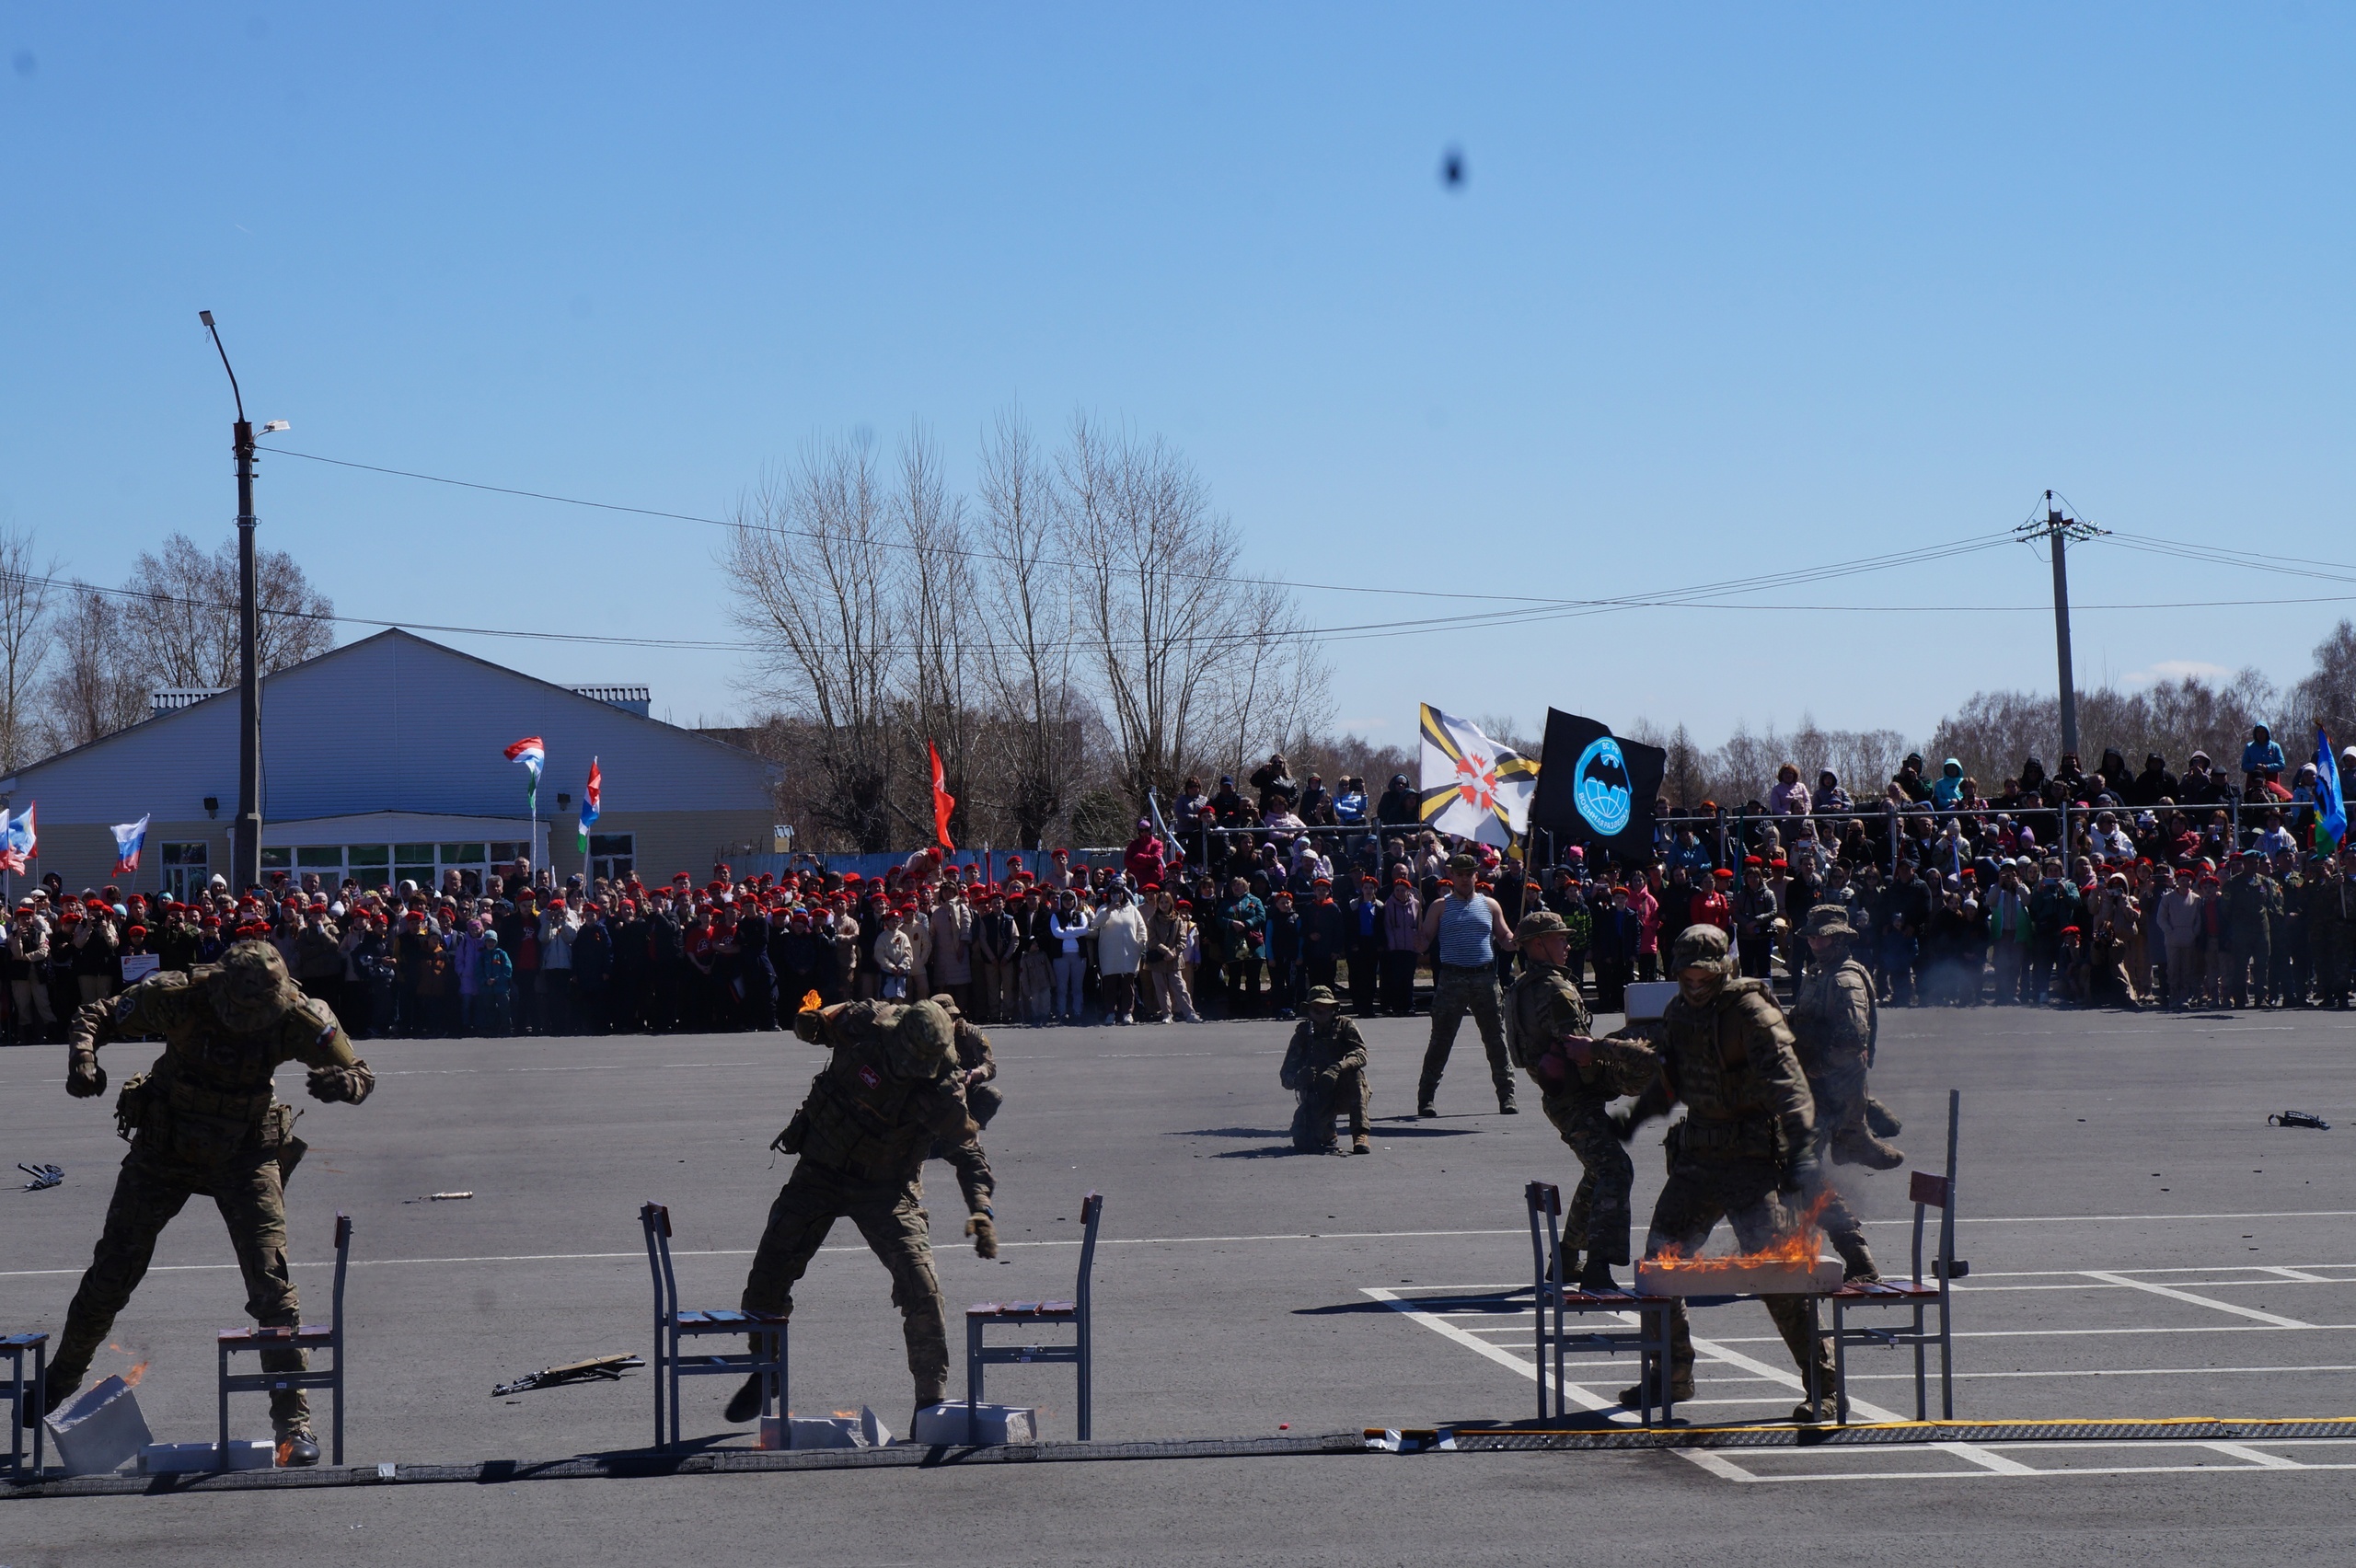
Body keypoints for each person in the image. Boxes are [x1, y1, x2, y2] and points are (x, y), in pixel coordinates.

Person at [29, 942, 375, 1463]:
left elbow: (363, 1074)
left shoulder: (299, 1015)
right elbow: (95, 1014)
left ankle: (293, 1423)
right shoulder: (178, 995)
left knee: (273, 1290)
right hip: (165, 1146)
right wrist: (83, 1059)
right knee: (113, 1272)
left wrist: (342, 1083)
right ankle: (60, 1380)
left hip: (244, 1152)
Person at [729, 997, 983, 1427]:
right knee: (768, 1274)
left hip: (885, 1188)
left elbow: (969, 1154)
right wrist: (807, 1022)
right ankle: (763, 1371)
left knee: (922, 1287)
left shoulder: (941, 1086)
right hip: (821, 1170)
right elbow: (819, 1022)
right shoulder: (866, 1021)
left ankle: (930, 1403)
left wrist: (982, 1209)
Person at [1619, 925, 1836, 1423]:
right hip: (1697, 1160)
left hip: (1749, 1162)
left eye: (1704, 976)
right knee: (1659, 1265)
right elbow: (1672, 1081)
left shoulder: (1750, 1013)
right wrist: (1636, 1116)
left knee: (1777, 1270)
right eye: (1686, 976)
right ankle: (1672, 1374)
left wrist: (1802, 1149)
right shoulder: (1677, 1012)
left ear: (1724, 970)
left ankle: (1824, 1386)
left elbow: (1791, 1086)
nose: (1694, 986)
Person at [1506, 910, 1655, 1289]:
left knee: (1599, 1170)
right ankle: (1598, 1267)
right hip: (1577, 1095)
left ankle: (1568, 1257)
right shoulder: (1555, 989)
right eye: (1559, 939)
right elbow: (1579, 1050)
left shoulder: (1522, 986)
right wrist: (1619, 1067)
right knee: (1615, 1170)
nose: (1568, 945)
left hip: (1561, 1095)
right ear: (1538, 945)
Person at [1785, 905, 1901, 1279]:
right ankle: (1796, 1248)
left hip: (1831, 1095)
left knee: (1802, 1172)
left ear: (1838, 938)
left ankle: (1857, 1256)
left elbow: (1853, 1037)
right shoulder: (1820, 974)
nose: (1815, 942)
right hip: (1813, 1091)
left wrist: (1818, 1065)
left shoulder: (1845, 980)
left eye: (1822, 936)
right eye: (1813, 936)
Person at [1415, 852, 1519, 1117]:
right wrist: (1419, 940)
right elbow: (1425, 939)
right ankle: (1426, 1098)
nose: (1464, 878)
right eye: (1459, 874)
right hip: (1451, 979)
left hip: (1485, 978)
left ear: (1476, 875)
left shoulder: (1491, 905)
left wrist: (1514, 940)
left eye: (1468, 873)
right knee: (1440, 1040)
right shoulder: (1440, 906)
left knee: (1496, 1039)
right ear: (1451, 876)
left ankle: (1507, 1096)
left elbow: (1504, 936)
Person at [1279, 985, 1371, 1153]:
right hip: (1317, 1093)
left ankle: (1360, 1134)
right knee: (1303, 1140)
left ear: (1333, 1008)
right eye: (1316, 1007)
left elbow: (1361, 1054)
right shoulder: (1302, 1034)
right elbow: (1286, 1076)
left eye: (1326, 1006)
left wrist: (1339, 1067)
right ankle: (1327, 1132)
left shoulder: (1346, 1026)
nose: (1321, 1011)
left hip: (1343, 1087)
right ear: (1308, 1010)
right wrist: (1300, 1077)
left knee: (1356, 1076)